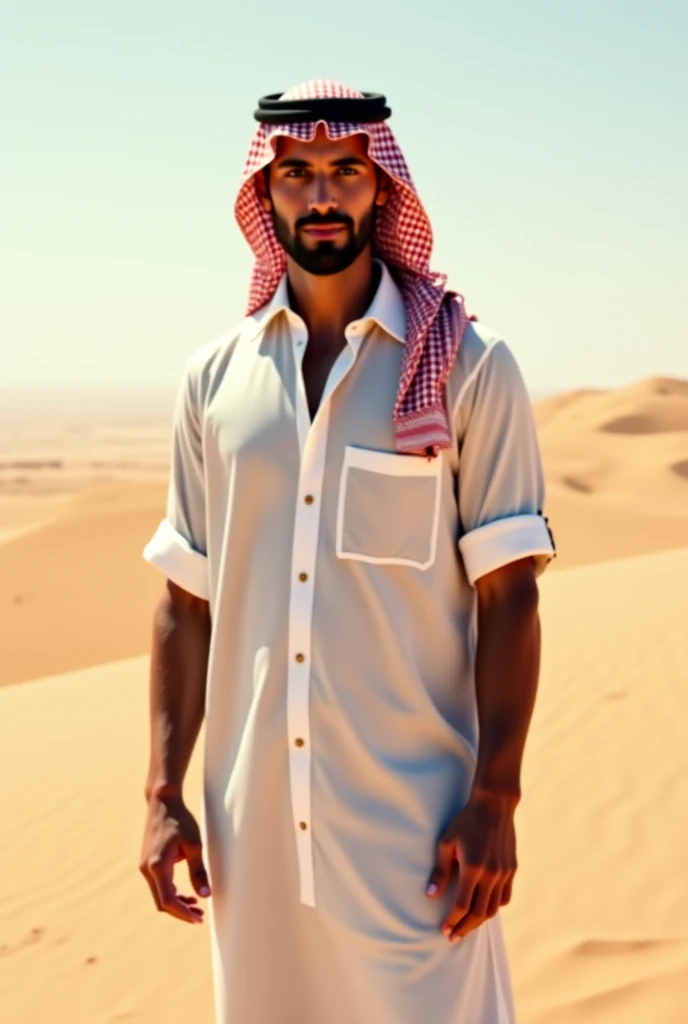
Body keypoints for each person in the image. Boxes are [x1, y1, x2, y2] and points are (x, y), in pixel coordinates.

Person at [139, 79, 556, 1023]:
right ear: (264, 193)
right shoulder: (215, 381)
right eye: (295, 176)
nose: (321, 197)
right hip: (254, 843)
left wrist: (498, 797)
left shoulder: (467, 367)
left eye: (344, 173)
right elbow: (185, 601)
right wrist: (164, 792)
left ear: (383, 190)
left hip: (416, 838)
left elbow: (512, 596)